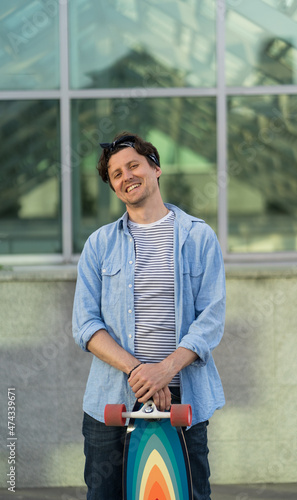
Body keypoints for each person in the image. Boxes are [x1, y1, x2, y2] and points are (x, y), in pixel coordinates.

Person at [72, 131, 226, 500]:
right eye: (116, 174)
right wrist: (141, 374)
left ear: (155, 168)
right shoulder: (99, 244)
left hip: (181, 398)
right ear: (113, 187)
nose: (126, 176)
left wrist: (165, 371)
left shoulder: (198, 237)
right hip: (112, 402)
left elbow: (212, 318)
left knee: (188, 494)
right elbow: (86, 325)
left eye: (133, 165)